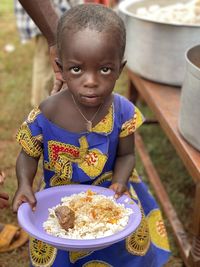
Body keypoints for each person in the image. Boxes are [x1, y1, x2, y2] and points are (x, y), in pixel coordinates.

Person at [13, 4, 170, 266]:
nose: (91, 81)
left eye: (104, 70)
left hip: (110, 197)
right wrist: (24, 184)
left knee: (119, 251)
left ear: (120, 69)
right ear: (60, 68)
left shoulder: (122, 111)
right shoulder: (47, 113)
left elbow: (127, 154)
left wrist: (120, 181)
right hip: (58, 201)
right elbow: (28, 155)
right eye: (77, 69)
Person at [14, 0, 70, 106]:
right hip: (46, 18)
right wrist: (56, 39)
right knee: (45, 64)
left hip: (47, 19)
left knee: (49, 64)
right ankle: (41, 106)